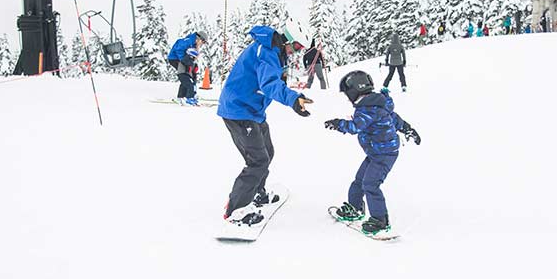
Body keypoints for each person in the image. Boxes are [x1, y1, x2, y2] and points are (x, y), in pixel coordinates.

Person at [217, 25, 313, 225]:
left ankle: (257, 193)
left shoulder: (276, 52)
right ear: (286, 39)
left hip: (253, 111)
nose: (296, 51)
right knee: (257, 161)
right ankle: (237, 210)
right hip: (239, 111)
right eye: (295, 46)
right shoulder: (267, 51)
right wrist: (293, 99)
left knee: (267, 153)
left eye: (300, 48)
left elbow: (275, 80)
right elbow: (268, 84)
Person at [324, 71, 421, 235]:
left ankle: (380, 220)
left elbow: (356, 126)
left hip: (384, 154)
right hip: (376, 152)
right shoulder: (378, 104)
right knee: (359, 180)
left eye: (348, 94)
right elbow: (395, 119)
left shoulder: (367, 108)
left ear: (354, 91)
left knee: (370, 184)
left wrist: (338, 124)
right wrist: (408, 129)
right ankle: (355, 208)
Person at [167, 31, 207, 105]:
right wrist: (183, 59)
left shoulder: (194, 44)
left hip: (181, 59)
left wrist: (192, 63)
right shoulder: (188, 41)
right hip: (174, 58)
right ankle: (187, 96)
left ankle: (182, 96)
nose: (202, 44)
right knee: (185, 75)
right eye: (203, 41)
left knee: (187, 75)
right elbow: (179, 49)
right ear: (199, 38)